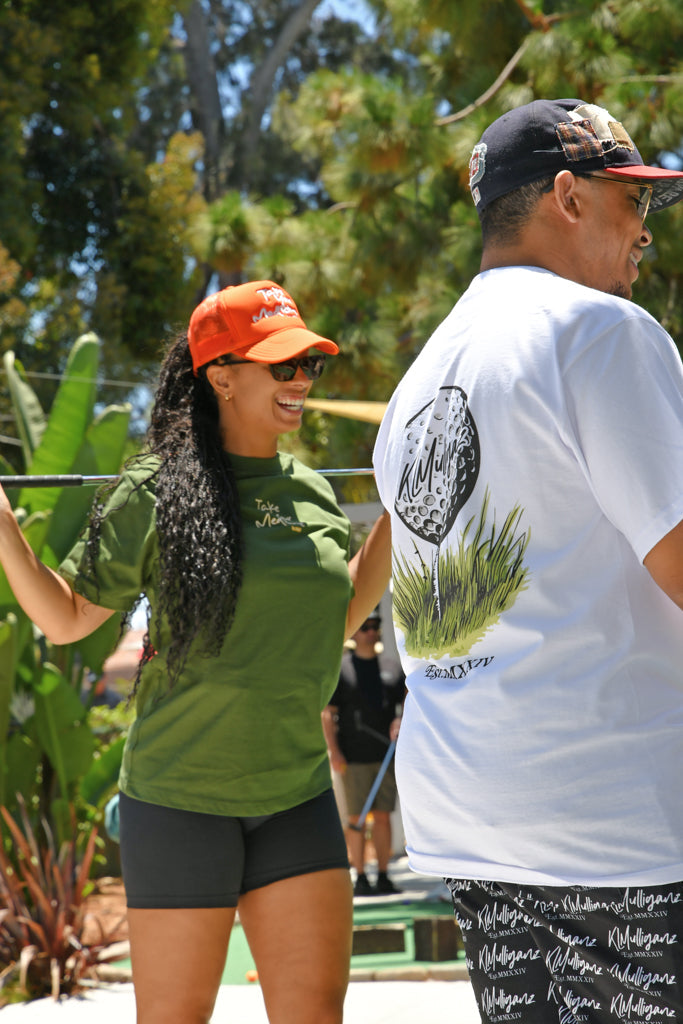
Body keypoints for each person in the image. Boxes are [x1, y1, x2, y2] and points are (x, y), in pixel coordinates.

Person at [0, 279, 390, 1024]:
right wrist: (2, 527)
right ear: (221, 376)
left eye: (308, 365)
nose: (300, 382)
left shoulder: (311, 492)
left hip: (296, 797)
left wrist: (403, 516)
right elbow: (66, 620)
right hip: (179, 801)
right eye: (281, 366)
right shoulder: (151, 493)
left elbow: (337, 616)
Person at [372, 99, 683, 1022]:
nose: (644, 233)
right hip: (620, 823)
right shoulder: (600, 333)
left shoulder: (417, 382)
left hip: (472, 823)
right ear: (565, 196)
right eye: (630, 199)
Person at [322, 607, 405, 896]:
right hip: (352, 758)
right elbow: (327, 715)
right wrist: (334, 752)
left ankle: (383, 875)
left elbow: (408, 704)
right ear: (354, 632)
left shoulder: (393, 667)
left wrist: (400, 720)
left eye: (375, 625)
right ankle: (359, 876)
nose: (371, 631)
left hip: (385, 757)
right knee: (356, 818)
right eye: (365, 625)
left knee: (383, 817)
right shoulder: (341, 668)